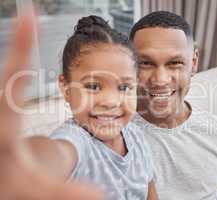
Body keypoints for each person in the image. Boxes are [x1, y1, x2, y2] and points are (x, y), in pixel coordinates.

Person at [0, 11, 158, 200]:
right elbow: (55, 154)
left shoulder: (136, 136)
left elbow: (151, 193)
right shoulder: (76, 141)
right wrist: (28, 163)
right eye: (93, 86)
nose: (110, 101)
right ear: (66, 88)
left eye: (124, 87)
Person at [129, 11, 217, 200]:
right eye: (146, 63)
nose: (160, 80)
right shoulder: (113, 135)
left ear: (193, 63)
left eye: (175, 63)